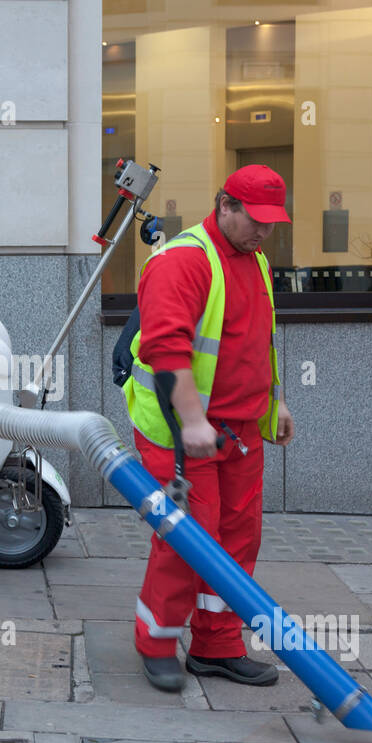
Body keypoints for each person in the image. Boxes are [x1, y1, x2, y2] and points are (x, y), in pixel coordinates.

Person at [121, 164, 296, 692]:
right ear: (224, 204)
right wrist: (194, 420)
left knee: (238, 540)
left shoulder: (256, 261)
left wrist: (275, 403)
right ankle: (156, 644)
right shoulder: (184, 261)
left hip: (240, 430)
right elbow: (165, 347)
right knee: (187, 541)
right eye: (254, 219)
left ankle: (217, 648)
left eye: (272, 223)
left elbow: (256, 344)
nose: (263, 231)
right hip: (180, 431)